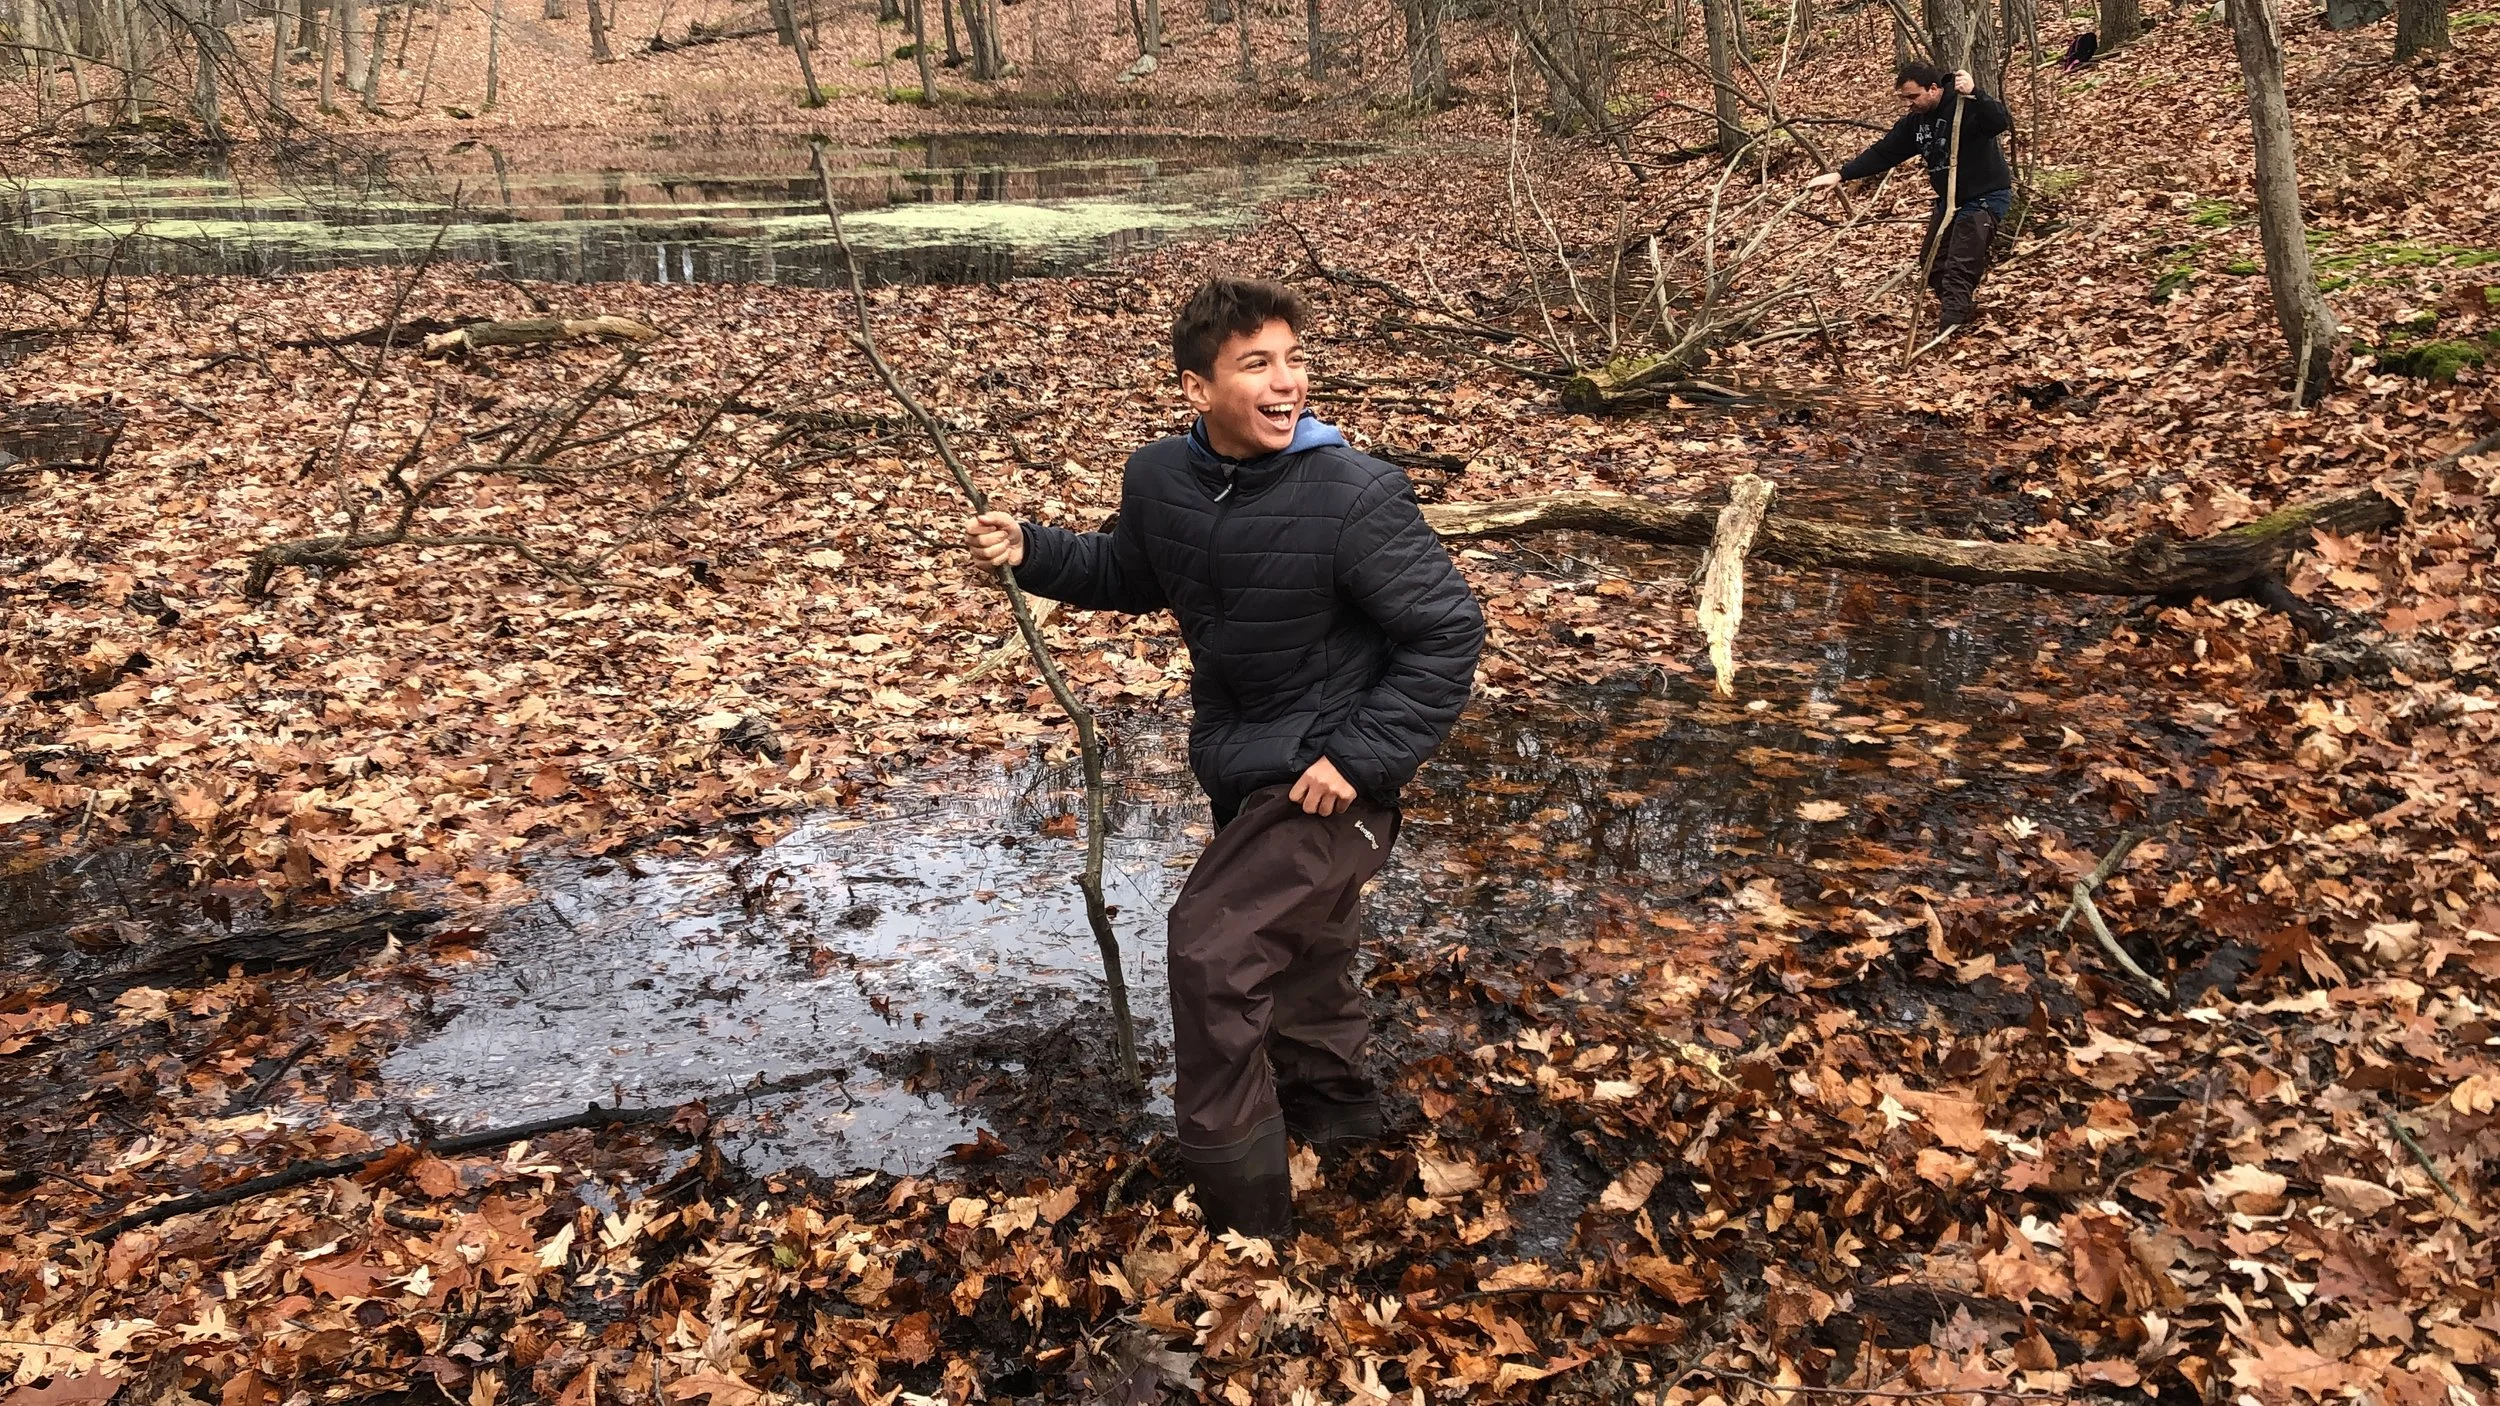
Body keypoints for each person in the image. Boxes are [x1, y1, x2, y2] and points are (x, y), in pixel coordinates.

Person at [964, 278, 1485, 1239]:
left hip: (1331, 782)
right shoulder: (1162, 475)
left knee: (1212, 949)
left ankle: (1245, 1213)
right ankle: (1341, 1130)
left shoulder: (1355, 493)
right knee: (1302, 960)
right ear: (1199, 385)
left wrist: (1360, 760)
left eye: (1294, 360)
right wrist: (1030, 548)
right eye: (1258, 365)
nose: (1286, 383)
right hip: (1243, 770)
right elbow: (1130, 569)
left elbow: (1448, 634)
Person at [1807, 63, 2014, 331]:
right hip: (1950, 202)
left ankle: (1951, 326)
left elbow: (1999, 121)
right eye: (1905, 98)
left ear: (1933, 89)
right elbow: (1884, 153)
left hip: (1984, 197)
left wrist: (1976, 93)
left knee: (1960, 264)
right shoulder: (1915, 123)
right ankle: (1960, 310)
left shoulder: (1965, 105)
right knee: (1932, 260)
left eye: (1914, 97)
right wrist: (1840, 175)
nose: (1910, 103)